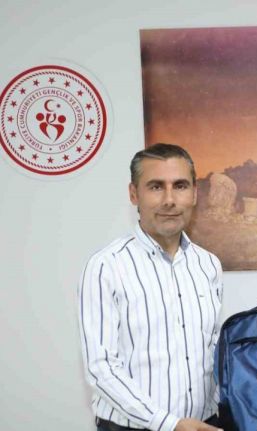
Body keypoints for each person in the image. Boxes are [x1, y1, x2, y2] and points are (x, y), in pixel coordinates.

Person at [78, 143, 223, 431]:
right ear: (134, 194)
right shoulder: (106, 266)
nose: (170, 200)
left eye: (180, 186)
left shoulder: (209, 264)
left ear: (195, 193)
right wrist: (169, 424)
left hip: (203, 424)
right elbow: (101, 368)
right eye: (156, 187)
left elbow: (212, 350)